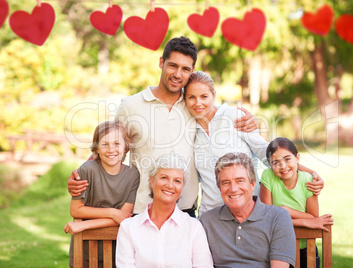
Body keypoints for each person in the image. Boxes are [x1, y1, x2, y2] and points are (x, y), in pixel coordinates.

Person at [67, 36, 257, 216]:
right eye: (172, 66)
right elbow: (108, 146)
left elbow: (219, 117)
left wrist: (249, 120)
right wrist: (81, 176)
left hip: (185, 210)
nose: (177, 74)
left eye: (185, 69)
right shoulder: (131, 106)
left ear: (192, 71)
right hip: (142, 209)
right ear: (161, 63)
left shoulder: (194, 105)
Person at [184, 71, 325, 215]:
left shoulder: (234, 117)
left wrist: (311, 173)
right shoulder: (188, 129)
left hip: (248, 211)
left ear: (213, 95)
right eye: (191, 97)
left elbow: (267, 154)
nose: (198, 103)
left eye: (204, 96)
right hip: (211, 214)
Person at [64, 121, 140, 267]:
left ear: (126, 147)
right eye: (105, 144)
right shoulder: (87, 170)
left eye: (117, 144)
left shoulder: (133, 175)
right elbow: (75, 209)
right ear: (96, 148)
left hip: (119, 251)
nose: (111, 149)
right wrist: (112, 212)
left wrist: (85, 225)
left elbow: (123, 217)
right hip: (84, 251)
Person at [200, 152, 296, 268]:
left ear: (252, 184)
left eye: (240, 180)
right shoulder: (207, 221)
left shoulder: (278, 218)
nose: (233, 189)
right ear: (219, 188)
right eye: (226, 182)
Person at [116, 154, 213, 267]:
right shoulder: (129, 227)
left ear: (182, 187)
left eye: (177, 181)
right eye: (164, 177)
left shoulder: (194, 228)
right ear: (151, 181)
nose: (170, 185)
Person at [259, 137, 334, 268]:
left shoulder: (308, 180)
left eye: (287, 159)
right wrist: (304, 221)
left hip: (305, 250)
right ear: (270, 165)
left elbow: (313, 217)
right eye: (275, 162)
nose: (283, 166)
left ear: (297, 158)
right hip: (276, 250)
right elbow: (268, 220)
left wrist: (285, 211)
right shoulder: (268, 176)